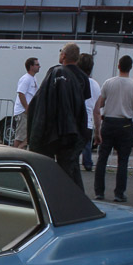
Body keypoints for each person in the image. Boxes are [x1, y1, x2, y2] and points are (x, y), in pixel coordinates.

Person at [27, 42, 91, 189]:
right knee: (70, 168)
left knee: (46, 167)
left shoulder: (55, 74)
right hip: (73, 129)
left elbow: (43, 100)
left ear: (63, 55)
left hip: (53, 129)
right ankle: (73, 197)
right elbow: (83, 103)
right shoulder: (83, 78)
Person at [93, 55, 133, 203]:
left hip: (108, 122)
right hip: (125, 124)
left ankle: (99, 192)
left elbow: (100, 103)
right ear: (130, 67)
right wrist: (130, 105)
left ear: (119, 66)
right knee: (123, 161)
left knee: (102, 159)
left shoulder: (109, 83)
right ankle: (119, 193)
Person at [78, 53, 100, 171]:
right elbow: (97, 111)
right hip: (88, 121)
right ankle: (88, 163)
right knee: (86, 144)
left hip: (75, 120)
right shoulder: (95, 85)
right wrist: (98, 131)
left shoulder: (74, 81)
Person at [12, 56, 39, 148]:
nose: (39, 66)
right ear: (31, 66)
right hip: (23, 112)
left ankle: (18, 152)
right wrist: (27, 108)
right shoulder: (26, 78)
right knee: (20, 137)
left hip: (28, 112)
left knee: (27, 136)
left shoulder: (33, 79)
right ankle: (14, 155)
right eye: (37, 64)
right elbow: (21, 93)